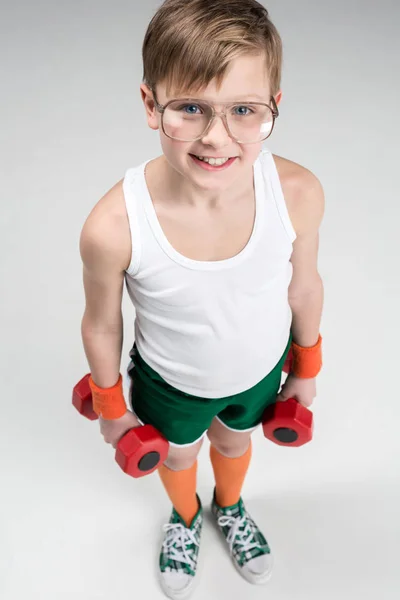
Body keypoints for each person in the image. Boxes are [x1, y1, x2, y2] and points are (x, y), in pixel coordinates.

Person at [79, 0, 324, 598]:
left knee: (235, 442)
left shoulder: (296, 192)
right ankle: (185, 518)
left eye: (244, 110)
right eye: (190, 108)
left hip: (261, 373)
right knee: (179, 457)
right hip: (170, 385)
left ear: (274, 106)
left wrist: (307, 370)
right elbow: (103, 327)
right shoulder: (114, 226)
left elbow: (305, 285)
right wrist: (113, 408)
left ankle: (231, 507)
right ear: (149, 105)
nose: (218, 138)